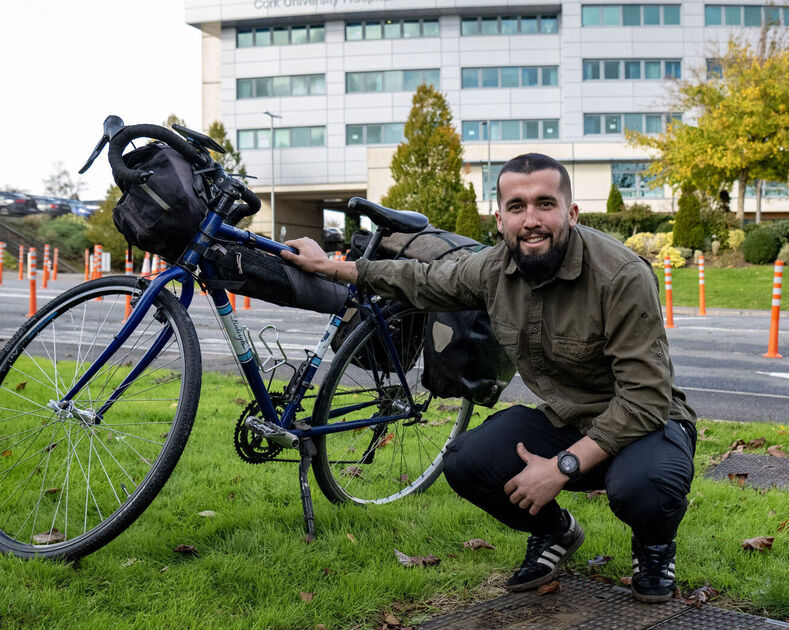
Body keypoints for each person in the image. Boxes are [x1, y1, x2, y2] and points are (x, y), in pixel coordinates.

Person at [280, 153, 698, 603]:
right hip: (569, 420)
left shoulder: (621, 275)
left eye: (545, 204)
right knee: (466, 460)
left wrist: (561, 467)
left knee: (644, 487)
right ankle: (556, 531)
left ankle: (654, 548)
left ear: (572, 213)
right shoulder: (493, 268)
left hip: (645, 426)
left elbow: (644, 399)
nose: (531, 220)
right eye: (517, 207)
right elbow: (423, 280)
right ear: (500, 220)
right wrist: (332, 267)